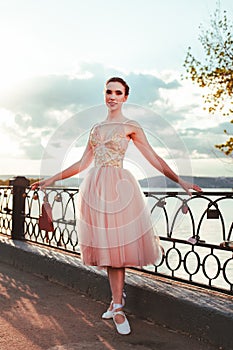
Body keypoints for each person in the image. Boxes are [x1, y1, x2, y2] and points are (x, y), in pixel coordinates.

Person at [31, 77, 202, 335]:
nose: (112, 96)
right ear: (105, 95)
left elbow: (154, 157)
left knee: (117, 249)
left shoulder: (130, 126)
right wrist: (50, 179)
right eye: (108, 91)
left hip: (119, 188)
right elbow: (81, 164)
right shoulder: (96, 129)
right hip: (94, 189)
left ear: (125, 97)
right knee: (108, 249)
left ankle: (118, 307)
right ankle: (115, 301)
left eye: (117, 92)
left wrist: (181, 181)